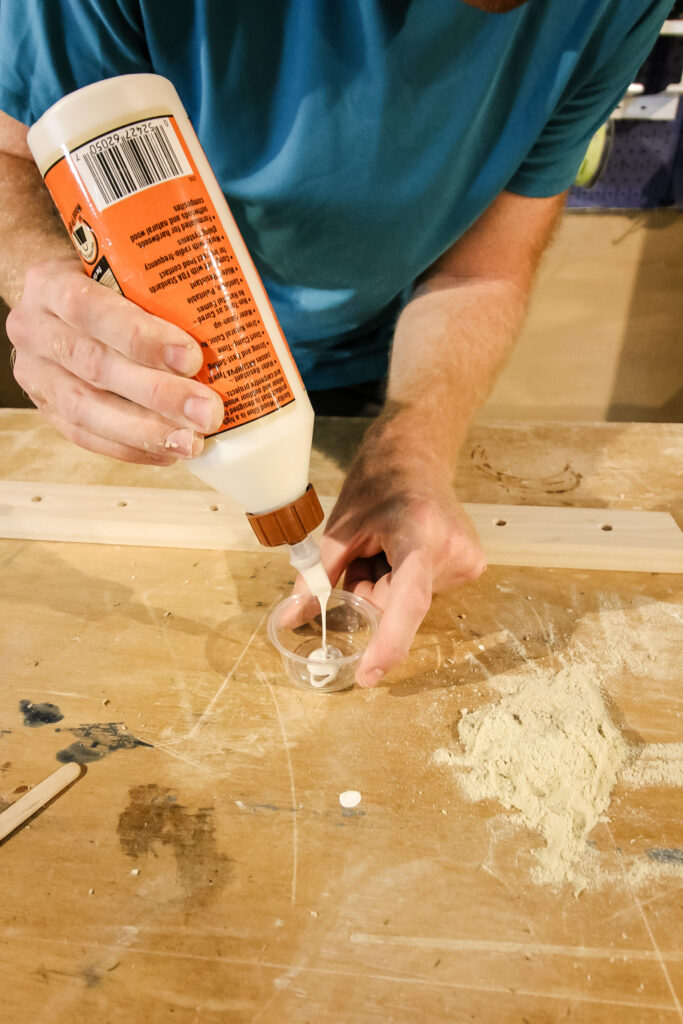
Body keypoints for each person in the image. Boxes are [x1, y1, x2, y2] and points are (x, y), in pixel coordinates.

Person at [0, 0, 670, 687]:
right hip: (137, 374)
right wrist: (41, 275)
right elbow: (13, 145)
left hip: (384, 356)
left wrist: (411, 450)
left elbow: (482, 266)